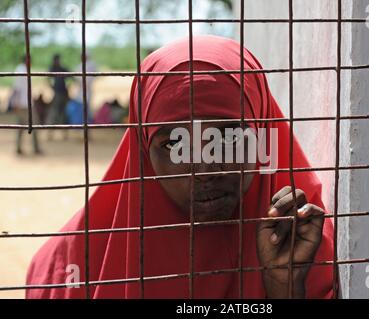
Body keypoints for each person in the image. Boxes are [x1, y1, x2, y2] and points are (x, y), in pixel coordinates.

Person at [26, 35, 335, 299]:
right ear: (144, 152)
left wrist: (285, 287)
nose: (203, 167)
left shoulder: (305, 241)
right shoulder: (68, 269)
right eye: (175, 144)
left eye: (228, 137)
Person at [11, 56, 42, 155]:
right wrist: (15, 102)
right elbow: (17, 88)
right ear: (27, 61)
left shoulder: (21, 69)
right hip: (24, 104)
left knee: (21, 126)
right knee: (34, 125)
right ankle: (35, 148)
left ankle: (19, 148)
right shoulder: (22, 70)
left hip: (24, 103)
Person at [46, 54, 69, 140]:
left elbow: (72, 76)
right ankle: (50, 134)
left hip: (63, 93)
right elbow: (47, 78)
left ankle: (64, 134)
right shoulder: (53, 68)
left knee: (63, 114)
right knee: (54, 113)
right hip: (57, 94)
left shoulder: (62, 68)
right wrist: (52, 88)